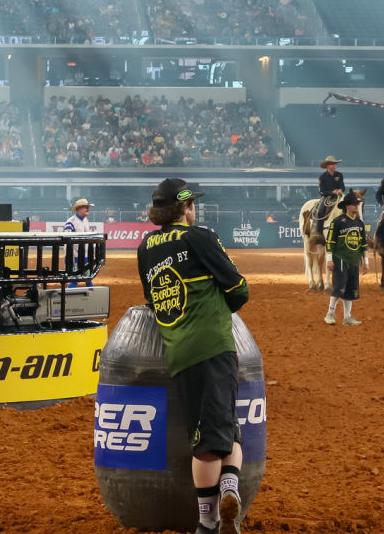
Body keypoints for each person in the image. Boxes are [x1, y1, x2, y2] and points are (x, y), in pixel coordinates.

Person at [138, 178, 250, 534]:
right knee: (212, 439)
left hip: (179, 351)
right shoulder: (199, 236)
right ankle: (208, 518)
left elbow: (152, 300)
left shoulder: (145, 248)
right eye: (191, 204)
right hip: (213, 345)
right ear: (184, 208)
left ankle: (225, 494)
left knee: (210, 428)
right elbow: (238, 287)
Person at [323, 192, 366, 326]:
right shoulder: (337, 222)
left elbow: (363, 244)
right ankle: (330, 314)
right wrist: (329, 259)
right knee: (339, 288)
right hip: (340, 259)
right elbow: (330, 242)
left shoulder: (359, 223)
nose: (356, 206)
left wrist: (366, 261)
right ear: (347, 206)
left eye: (357, 204)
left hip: (353, 260)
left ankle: (347, 317)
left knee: (350, 290)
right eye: (354, 204)